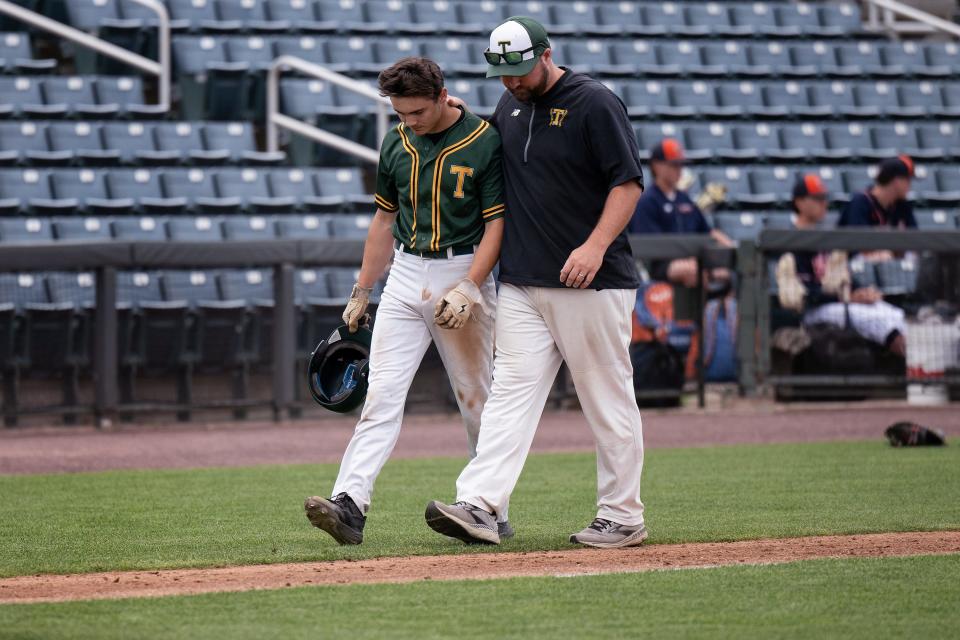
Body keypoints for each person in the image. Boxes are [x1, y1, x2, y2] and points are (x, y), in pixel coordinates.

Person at [425, 16, 649, 549]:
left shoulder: (595, 103)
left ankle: (622, 515)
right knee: (508, 398)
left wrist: (595, 246)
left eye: (521, 71)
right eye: (503, 74)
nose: (513, 82)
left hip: (591, 282)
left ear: (547, 54)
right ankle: (480, 504)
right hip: (525, 279)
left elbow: (628, 183)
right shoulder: (508, 104)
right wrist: (456, 114)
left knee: (606, 398)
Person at [304, 57, 511, 545]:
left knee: (475, 399)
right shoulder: (395, 140)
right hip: (405, 269)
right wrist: (363, 288)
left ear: (442, 96)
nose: (409, 121)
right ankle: (349, 505)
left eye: (417, 111)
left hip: (463, 268)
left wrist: (470, 286)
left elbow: (498, 224)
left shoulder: (483, 141)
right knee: (380, 395)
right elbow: (382, 220)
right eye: (401, 113)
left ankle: (489, 505)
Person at [776, 174, 906, 356]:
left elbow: (842, 278)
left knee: (895, 315)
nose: (824, 204)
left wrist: (860, 292)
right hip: (810, 312)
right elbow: (805, 295)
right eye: (818, 198)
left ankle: (920, 369)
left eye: (825, 198)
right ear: (799, 202)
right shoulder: (786, 241)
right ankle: (916, 372)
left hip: (836, 304)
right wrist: (847, 298)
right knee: (875, 319)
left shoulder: (824, 238)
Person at [629, 138, 733, 287]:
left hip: (691, 260)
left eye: (680, 165)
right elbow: (650, 246)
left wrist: (732, 250)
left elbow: (708, 232)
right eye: (673, 165)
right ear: (657, 166)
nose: (679, 170)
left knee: (725, 270)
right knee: (690, 271)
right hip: (659, 267)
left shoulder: (683, 198)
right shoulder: (647, 201)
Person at [839, 155, 917, 230]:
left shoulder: (901, 205)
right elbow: (858, 240)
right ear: (897, 181)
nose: (910, 186)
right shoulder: (860, 202)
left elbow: (915, 239)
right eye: (908, 180)